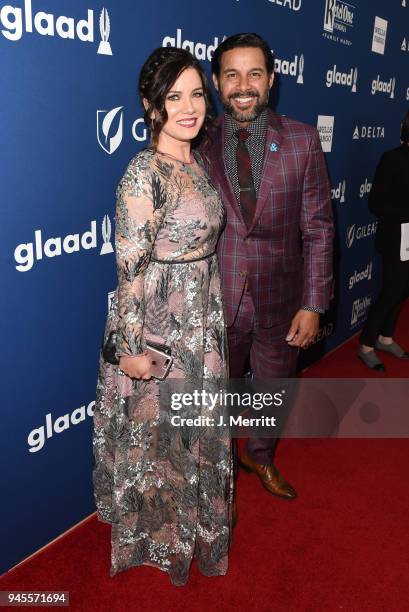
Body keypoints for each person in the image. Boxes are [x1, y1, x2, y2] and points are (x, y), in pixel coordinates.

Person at [92, 47, 234, 587]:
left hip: (202, 319)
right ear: (151, 105)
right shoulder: (142, 173)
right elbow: (129, 270)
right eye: (175, 97)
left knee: (194, 432)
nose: (190, 107)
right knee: (163, 442)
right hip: (159, 328)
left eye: (197, 93)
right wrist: (131, 349)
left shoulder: (196, 161)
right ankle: (163, 539)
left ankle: (196, 528)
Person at [201, 33, 334, 498]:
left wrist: (314, 303)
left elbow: (318, 228)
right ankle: (221, 480)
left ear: (271, 79)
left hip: (281, 298)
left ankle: (261, 457)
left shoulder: (302, 140)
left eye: (254, 73)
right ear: (217, 82)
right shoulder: (197, 141)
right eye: (232, 74)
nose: (243, 85)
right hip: (215, 299)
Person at [358, 109, 409, 371]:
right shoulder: (393, 158)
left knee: (403, 290)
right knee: (392, 290)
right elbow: (376, 202)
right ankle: (366, 345)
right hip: (395, 237)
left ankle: (385, 337)